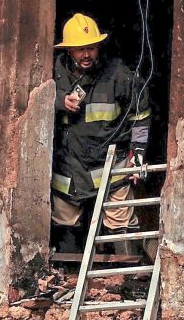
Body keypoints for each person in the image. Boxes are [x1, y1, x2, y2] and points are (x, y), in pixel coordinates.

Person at [51, 13, 150, 247]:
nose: (86, 55)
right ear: (68, 51)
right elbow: (26, 101)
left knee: (121, 225)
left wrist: (137, 154)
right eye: (80, 49)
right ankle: (70, 279)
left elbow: (141, 116)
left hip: (111, 166)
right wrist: (58, 101)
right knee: (66, 227)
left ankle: (127, 279)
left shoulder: (119, 76)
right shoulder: (54, 75)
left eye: (92, 48)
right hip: (68, 169)